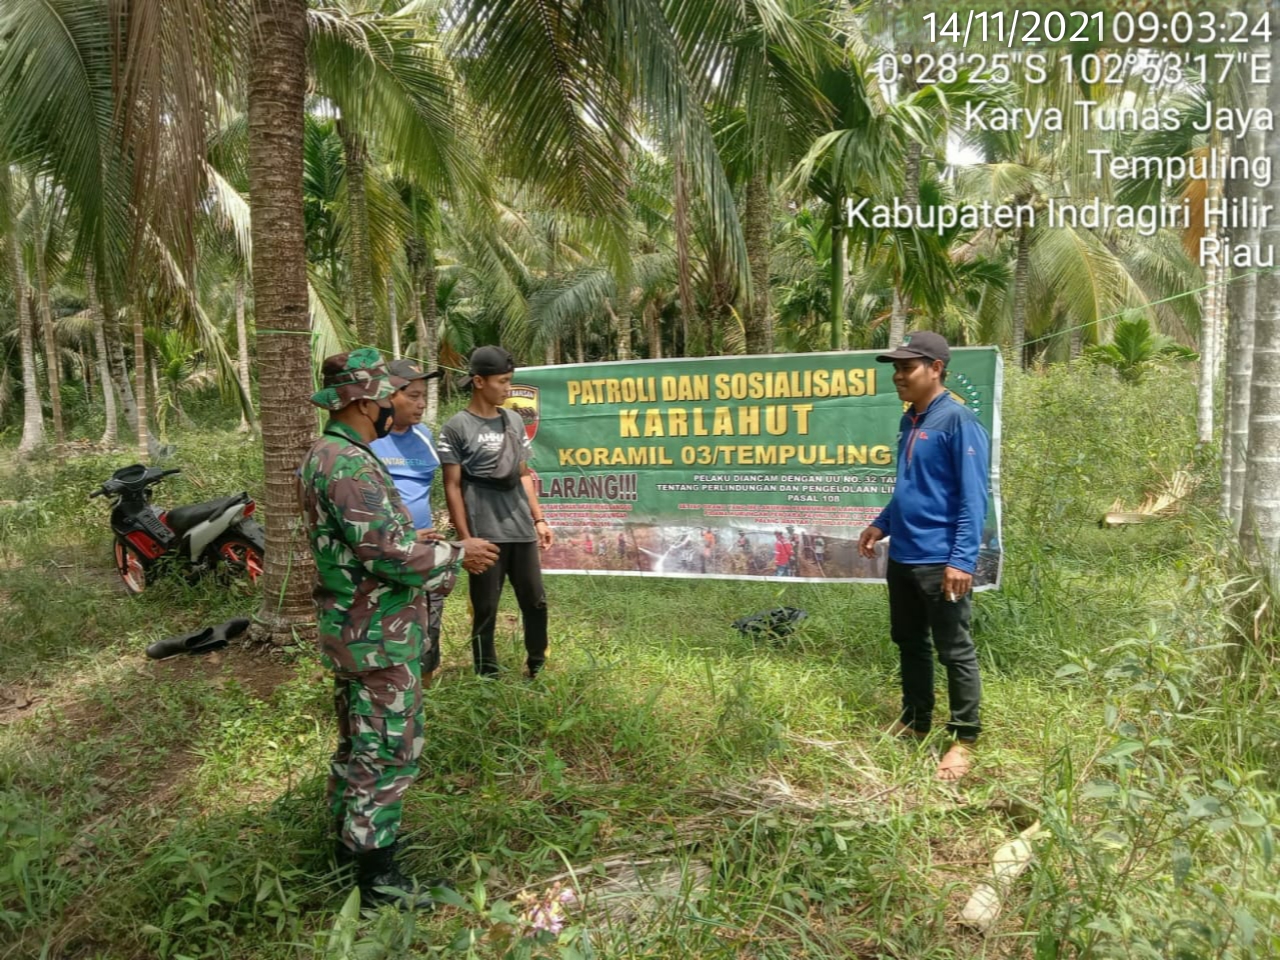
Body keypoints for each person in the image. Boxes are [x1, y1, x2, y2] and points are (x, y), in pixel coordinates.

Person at [299, 349, 499, 909]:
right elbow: (388, 557)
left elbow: (368, 544)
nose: (399, 405)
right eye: (393, 395)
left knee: (358, 745)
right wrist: (458, 552)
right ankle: (379, 884)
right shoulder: (349, 464)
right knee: (388, 751)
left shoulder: (328, 455)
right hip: (377, 633)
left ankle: (350, 849)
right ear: (366, 401)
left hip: (354, 626)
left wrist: (427, 543)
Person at [857, 331, 990, 781]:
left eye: (907, 367)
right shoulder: (909, 421)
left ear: (935, 369)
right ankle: (916, 721)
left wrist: (962, 561)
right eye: (895, 368)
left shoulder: (958, 422)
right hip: (905, 556)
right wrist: (883, 523)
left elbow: (974, 499)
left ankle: (964, 737)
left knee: (955, 650)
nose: (898, 375)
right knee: (909, 641)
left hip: (941, 561)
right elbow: (909, 487)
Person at [440, 346, 555, 677]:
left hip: (520, 528)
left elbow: (522, 474)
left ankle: (537, 665)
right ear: (478, 381)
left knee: (535, 601)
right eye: (502, 382)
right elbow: (452, 486)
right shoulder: (456, 427)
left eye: (509, 381)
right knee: (486, 608)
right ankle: (486, 673)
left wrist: (539, 519)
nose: (507, 389)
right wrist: (465, 539)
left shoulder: (514, 420)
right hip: (483, 533)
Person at [369, 359, 447, 684]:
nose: (422, 403)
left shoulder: (425, 436)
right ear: (390, 396)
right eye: (413, 395)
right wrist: (404, 534)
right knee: (390, 623)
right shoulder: (369, 439)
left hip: (425, 550)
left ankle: (425, 684)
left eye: (423, 395)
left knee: (430, 616)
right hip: (386, 552)